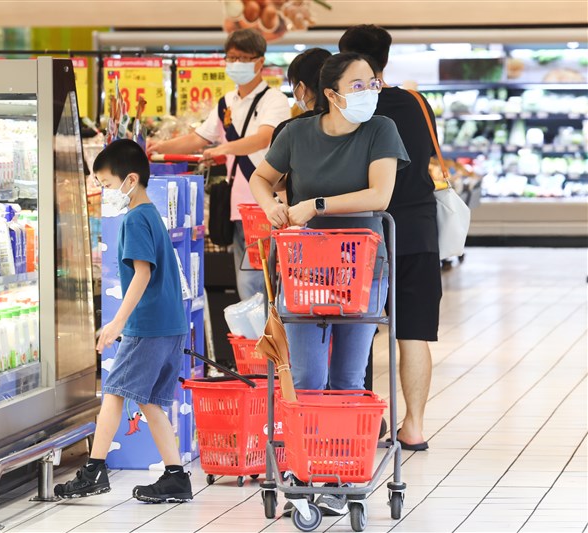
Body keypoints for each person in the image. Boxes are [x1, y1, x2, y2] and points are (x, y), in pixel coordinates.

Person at [249, 53, 409, 515]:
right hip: (305, 270)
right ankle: (306, 471)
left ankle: (340, 475)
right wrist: (271, 205)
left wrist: (315, 204)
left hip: (362, 270)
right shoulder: (297, 134)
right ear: (333, 94)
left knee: (347, 377)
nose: (370, 91)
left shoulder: (381, 130)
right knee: (306, 378)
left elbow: (380, 195)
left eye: (373, 83)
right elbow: (262, 177)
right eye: (359, 85)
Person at [54, 140, 192, 504]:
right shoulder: (151, 215)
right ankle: (176, 476)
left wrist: (117, 322)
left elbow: (142, 274)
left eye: (107, 184)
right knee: (149, 402)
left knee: (114, 391)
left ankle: (94, 471)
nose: (105, 193)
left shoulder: (134, 219)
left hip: (147, 327)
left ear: (130, 180)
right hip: (170, 324)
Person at [340, 24, 443, 452]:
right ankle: (413, 427)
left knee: (357, 328)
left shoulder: (349, 107)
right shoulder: (417, 102)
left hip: (362, 234)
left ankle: (363, 422)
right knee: (414, 331)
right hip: (418, 229)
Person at [147, 29, 290, 301]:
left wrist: (224, 148)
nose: (235, 64)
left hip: (266, 203)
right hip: (238, 205)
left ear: (259, 61)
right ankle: (257, 327)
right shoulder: (227, 103)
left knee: (259, 279)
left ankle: (267, 327)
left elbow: (264, 138)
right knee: (247, 277)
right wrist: (159, 147)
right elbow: (198, 138)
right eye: (231, 58)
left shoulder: (275, 100)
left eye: (242, 58)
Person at [271, 47, 331, 203]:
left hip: (303, 213)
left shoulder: (289, 129)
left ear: (301, 88)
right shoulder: (353, 122)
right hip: (353, 213)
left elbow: (273, 181)